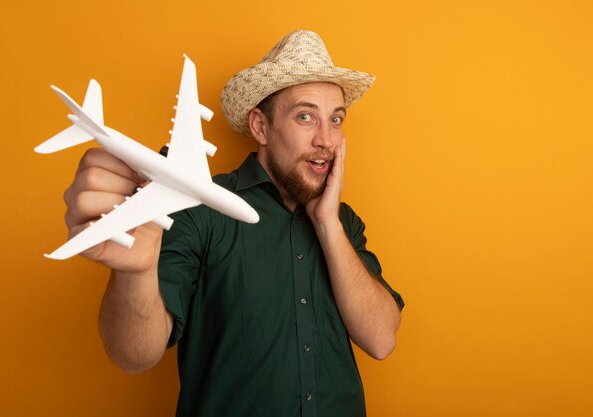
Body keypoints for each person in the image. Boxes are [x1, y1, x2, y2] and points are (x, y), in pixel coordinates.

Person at [64, 30, 404, 417]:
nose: (326, 139)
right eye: (305, 116)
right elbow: (133, 355)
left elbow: (381, 340)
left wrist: (327, 224)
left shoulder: (344, 222)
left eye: (336, 119)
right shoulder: (198, 208)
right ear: (260, 127)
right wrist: (135, 271)